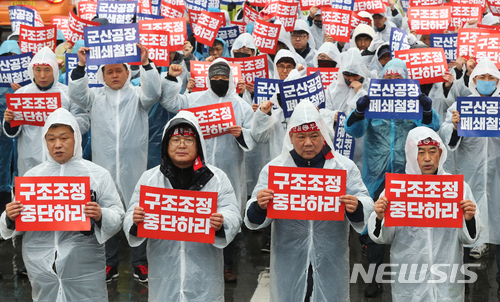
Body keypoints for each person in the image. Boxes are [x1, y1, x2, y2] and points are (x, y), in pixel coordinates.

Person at [245, 100, 374, 301]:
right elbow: (252, 219)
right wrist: (259, 206)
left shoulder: (343, 168)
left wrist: (356, 206)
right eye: (301, 136)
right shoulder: (275, 170)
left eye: (314, 136)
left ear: (323, 136)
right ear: (291, 137)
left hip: (330, 256)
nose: (308, 142)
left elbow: (366, 204)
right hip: (288, 258)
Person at [0, 108, 124, 301]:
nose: (57, 145)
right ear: (44, 141)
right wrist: (8, 217)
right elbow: (12, 225)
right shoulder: (32, 177)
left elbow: (118, 215)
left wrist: (101, 215)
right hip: (40, 264)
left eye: (64, 138)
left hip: (84, 264)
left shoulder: (97, 175)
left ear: (76, 138)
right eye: (51, 139)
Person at [345, 58, 441, 297]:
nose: (392, 83)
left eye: (398, 79)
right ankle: (373, 277)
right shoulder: (372, 102)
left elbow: (434, 127)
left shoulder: (415, 101)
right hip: (375, 175)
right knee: (374, 223)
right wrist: (359, 112)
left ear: (407, 81)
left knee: (407, 227)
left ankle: (411, 278)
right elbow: (352, 130)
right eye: (387, 79)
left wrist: (426, 110)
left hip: (407, 176)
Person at [123, 111, 241, 301]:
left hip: (205, 270)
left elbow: (232, 212)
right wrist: (135, 221)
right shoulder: (150, 178)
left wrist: (223, 221)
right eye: (175, 139)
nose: (182, 145)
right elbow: (131, 214)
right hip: (164, 269)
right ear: (166, 144)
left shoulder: (216, 178)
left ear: (199, 144)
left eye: (188, 139)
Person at [68, 44, 161, 282]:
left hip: (134, 166)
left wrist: (146, 62)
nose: (115, 75)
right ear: (102, 75)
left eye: (119, 70)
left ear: (128, 72)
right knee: (106, 211)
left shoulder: (138, 96)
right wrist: (80, 65)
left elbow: (153, 93)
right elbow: (77, 94)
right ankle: (110, 264)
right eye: (109, 72)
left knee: (137, 212)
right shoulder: (95, 98)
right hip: (105, 167)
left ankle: (140, 262)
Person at [160, 58, 256, 281]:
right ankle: (194, 262)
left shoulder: (240, 105)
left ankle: (228, 265)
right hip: (196, 171)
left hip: (230, 170)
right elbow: (170, 103)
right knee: (197, 214)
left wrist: (241, 133)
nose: (219, 81)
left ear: (230, 79)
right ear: (208, 79)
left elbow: (254, 137)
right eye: (215, 78)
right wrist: (173, 77)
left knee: (226, 213)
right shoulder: (195, 100)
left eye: (223, 78)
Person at [368, 126, 481, 301]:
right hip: (409, 278)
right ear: (411, 155)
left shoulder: (457, 189)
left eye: (432, 151)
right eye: (420, 152)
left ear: (440, 153)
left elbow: (469, 239)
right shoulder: (397, 190)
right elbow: (383, 238)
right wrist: (380, 217)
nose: (427, 158)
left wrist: (469, 219)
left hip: (446, 276)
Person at [440, 58, 500, 273]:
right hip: (470, 174)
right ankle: (463, 279)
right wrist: (455, 128)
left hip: (497, 176)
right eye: (481, 77)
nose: (486, 81)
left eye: (491, 77)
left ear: (497, 81)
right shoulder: (460, 107)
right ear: (473, 80)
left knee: (498, 219)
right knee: (467, 220)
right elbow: (447, 139)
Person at [3, 47, 89, 177]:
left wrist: (65, 123)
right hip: (30, 158)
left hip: (62, 158)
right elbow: (12, 132)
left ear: (55, 70)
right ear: (32, 71)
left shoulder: (68, 93)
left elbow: (83, 121)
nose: (42, 75)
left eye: (47, 70)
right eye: (38, 70)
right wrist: (9, 120)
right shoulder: (21, 94)